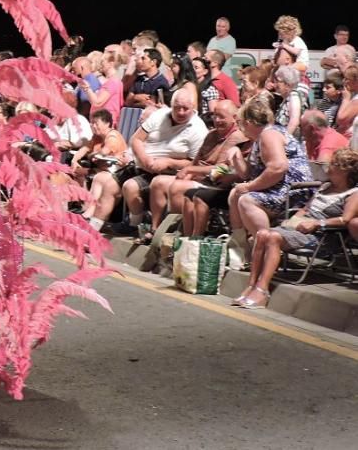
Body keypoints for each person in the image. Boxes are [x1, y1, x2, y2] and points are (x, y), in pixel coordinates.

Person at [233, 148, 358, 309]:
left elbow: (345, 219)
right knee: (262, 234)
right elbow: (305, 209)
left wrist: (317, 223)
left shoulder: (353, 193)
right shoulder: (325, 186)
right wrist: (291, 222)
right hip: (301, 230)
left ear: (344, 170)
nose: (328, 167)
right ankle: (251, 286)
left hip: (322, 237)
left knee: (272, 237)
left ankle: (262, 290)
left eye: (333, 164)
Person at [90, 88, 207, 234]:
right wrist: (144, 159)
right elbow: (136, 139)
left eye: (185, 109)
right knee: (109, 186)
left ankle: (134, 224)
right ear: (172, 106)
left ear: (193, 108)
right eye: (177, 108)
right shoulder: (159, 115)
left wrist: (169, 162)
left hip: (165, 172)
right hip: (141, 162)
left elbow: (194, 163)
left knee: (130, 186)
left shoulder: (198, 129)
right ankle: (91, 233)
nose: (181, 112)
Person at [147, 100, 247, 237]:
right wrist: (188, 172)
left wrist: (190, 171)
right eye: (215, 116)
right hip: (198, 176)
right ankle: (155, 229)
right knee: (158, 182)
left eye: (221, 117)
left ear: (234, 118)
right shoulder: (212, 134)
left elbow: (221, 169)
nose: (217, 120)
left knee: (177, 187)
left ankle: (179, 230)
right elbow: (195, 161)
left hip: (214, 181)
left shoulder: (236, 137)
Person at [228, 99, 313, 243]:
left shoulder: (269, 135)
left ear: (247, 123)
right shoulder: (259, 139)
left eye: (240, 124)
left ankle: (264, 245)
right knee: (235, 193)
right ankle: (239, 243)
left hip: (293, 190)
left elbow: (278, 167)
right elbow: (247, 173)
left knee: (246, 200)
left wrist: (249, 187)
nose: (240, 129)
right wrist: (236, 155)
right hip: (279, 186)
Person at [79, 51, 124, 125]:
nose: (100, 64)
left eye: (102, 61)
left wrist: (87, 88)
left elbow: (97, 102)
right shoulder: (113, 81)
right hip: (102, 123)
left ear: (111, 64)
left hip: (105, 124)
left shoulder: (113, 82)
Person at [273, 65, 303, 137]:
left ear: (287, 84)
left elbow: (294, 122)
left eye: (278, 81)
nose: (275, 84)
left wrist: (284, 139)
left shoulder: (294, 97)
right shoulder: (287, 97)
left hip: (290, 142)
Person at [191, 56, 219, 125]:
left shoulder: (209, 89)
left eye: (196, 67)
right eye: (191, 67)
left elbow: (212, 113)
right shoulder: (190, 86)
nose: (192, 70)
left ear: (205, 71)